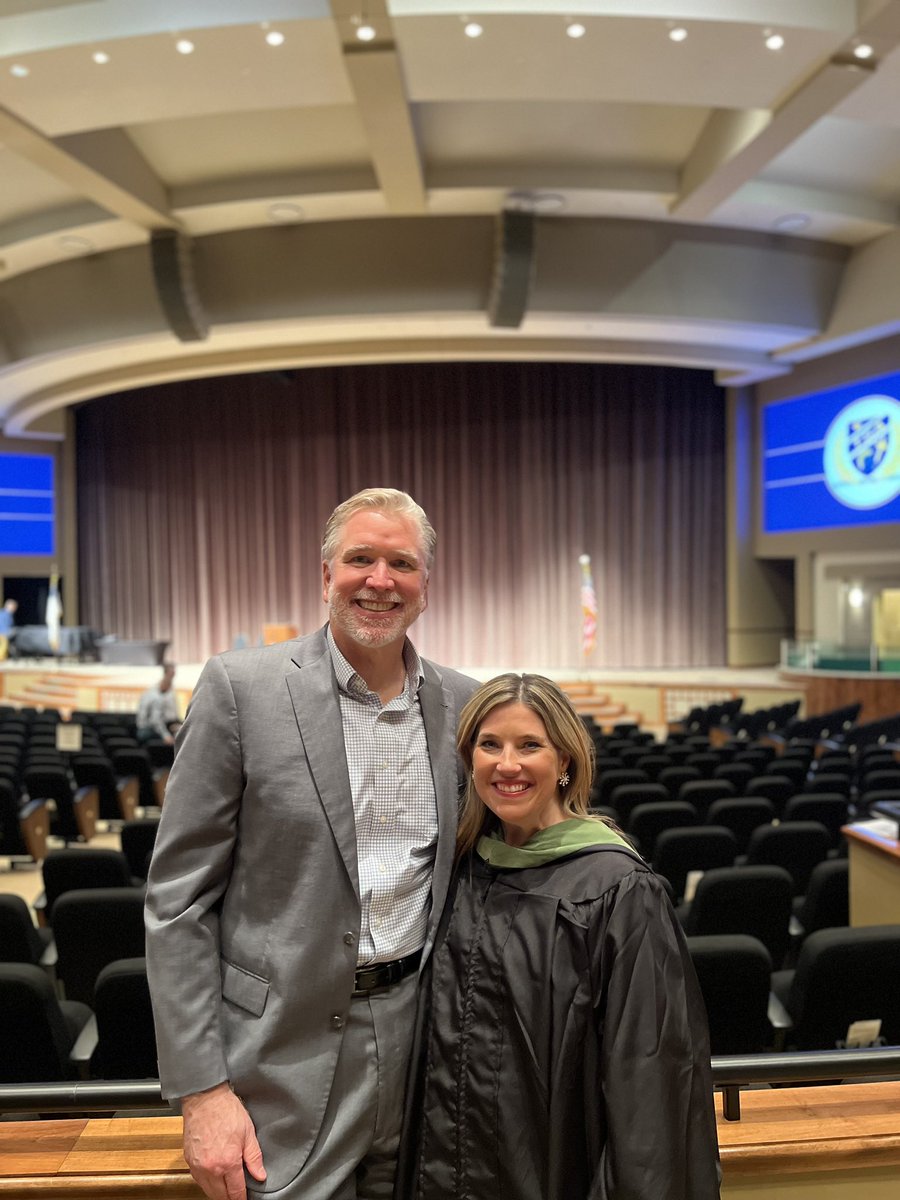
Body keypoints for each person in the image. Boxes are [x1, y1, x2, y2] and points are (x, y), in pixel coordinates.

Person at [144, 488, 476, 1200]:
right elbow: (177, 904)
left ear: (426, 586)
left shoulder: (464, 706)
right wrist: (202, 1092)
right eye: (361, 559)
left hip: (425, 1053)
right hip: (278, 1063)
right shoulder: (241, 689)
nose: (380, 580)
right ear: (326, 575)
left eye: (401, 564)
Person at [396, 674, 721, 1200]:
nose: (507, 764)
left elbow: (651, 1078)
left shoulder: (617, 891)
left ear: (565, 761)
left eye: (530, 746)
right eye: (489, 744)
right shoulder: (461, 870)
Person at [136, 663, 182, 743]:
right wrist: (166, 735)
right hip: (148, 729)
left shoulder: (170, 692)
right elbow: (155, 720)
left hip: (163, 725)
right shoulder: (154, 695)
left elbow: (171, 715)